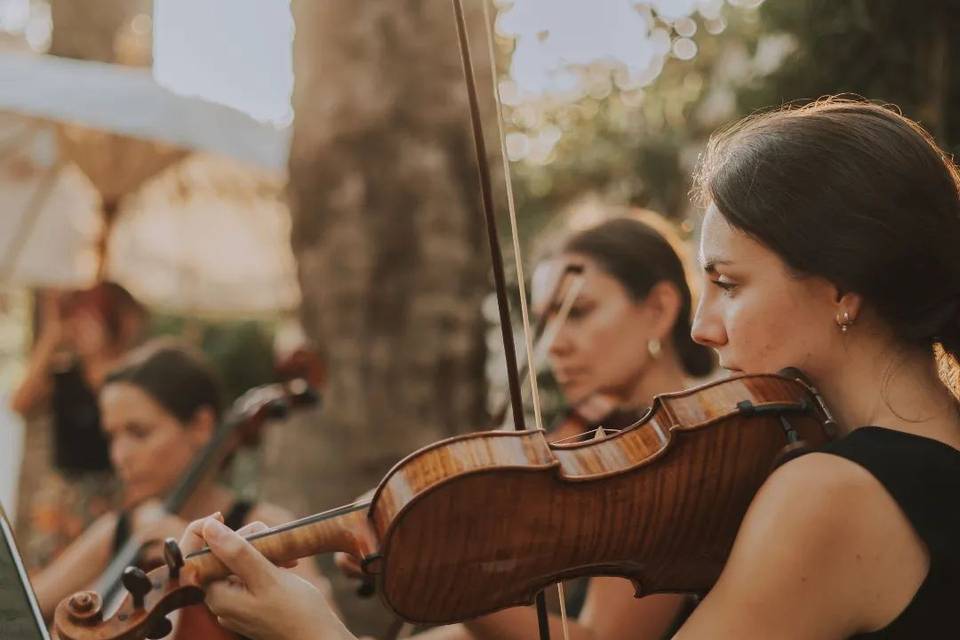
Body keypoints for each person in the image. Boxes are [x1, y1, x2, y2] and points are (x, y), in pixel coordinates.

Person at [179, 97, 960, 639]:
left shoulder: (832, 493)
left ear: (843, 287)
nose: (703, 325)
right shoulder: (901, 466)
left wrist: (311, 630)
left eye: (728, 284)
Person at [334, 215, 715, 639]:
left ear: (659, 310)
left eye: (578, 312)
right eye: (548, 319)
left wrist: (430, 577)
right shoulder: (594, 439)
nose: (553, 344)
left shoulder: (677, 460)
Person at [32, 339, 332, 638]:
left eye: (138, 433)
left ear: (202, 426)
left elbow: (323, 629)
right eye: (112, 436)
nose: (119, 455)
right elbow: (19, 609)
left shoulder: (268, 526)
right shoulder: (122, 528)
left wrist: (207, 555)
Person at [11, 281, 148, 568]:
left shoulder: (131, 379)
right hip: (62, 499)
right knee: (47, 574)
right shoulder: (64, 375)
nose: (78, 328)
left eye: (88, 319)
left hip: (112, 496)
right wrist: (51, 334)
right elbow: (20, 403)